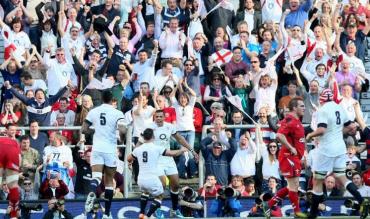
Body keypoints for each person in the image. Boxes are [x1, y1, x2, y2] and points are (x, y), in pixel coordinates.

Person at [306, 88, 370, 219]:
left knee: (317, 181)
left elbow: (322, 130)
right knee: (342, 177)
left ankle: (312, 214)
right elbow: (352, 126)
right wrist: (337, 133)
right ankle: (362, 200)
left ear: (321, 100)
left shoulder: (322, 110)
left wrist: (310, 135)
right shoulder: (339, 107)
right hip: (340, 148)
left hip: (326, 149)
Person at [81, 90, 126, 219]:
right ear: (113, 100)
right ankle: (106, 213)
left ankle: (91, 192)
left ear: (101, 99)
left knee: (96, 177)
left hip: (97, 148)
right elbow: (123, 129)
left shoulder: (93, 111)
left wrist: (95, 131)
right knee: (109, 182)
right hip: (110, 149)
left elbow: (84, 129)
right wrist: (121, 139)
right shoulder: (117, 113)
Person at [146, 110, 198, 218]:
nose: (159, 118)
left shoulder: (170, 127)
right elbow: (142, 142)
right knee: (162, 185)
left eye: (161, 116)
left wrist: (192, 150)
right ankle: (158, 210)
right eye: (157, 116)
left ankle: (174, 210)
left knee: (175, 184)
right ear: (154, 117)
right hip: (156, 160)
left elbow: (180, 138)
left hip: (169, 159)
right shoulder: (149, 128)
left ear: (164, 117)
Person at [127, 128, 187, 219]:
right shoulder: (156, 148)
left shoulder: (138, 149)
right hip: (152, 178)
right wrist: (182, 150)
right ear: (153, 137)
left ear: (143, 137)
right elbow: (172, 154)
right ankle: (147, 216)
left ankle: (142, 213)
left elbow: (129, 158)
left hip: (141, 179)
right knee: (159, 196)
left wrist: (130, 162)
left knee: (145, 192)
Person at [263, 97, 307, 218]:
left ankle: (269, 204)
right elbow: (279, 135)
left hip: (296, 157)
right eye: (301, 106)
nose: (304, 108)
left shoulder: (297, 121)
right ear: (294, 108)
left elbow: (301, 140)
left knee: (292, 186)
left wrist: (304, 155)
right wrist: (291, 148)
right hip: (289, 156)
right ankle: (297, 212)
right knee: (294, 186)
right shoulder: (290, 120)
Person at [0, 137, 21, 218]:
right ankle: (14, 214)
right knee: (13, 185)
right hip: (12, 151)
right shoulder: (14, 141)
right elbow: (19, 158)